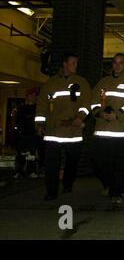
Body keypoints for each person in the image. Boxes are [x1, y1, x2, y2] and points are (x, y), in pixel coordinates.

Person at [35, 52, 92, 200]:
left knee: (72, 161)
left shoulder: (82, 83)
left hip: (73, 132)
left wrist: (80, 117)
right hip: (54, 131)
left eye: (76, 63)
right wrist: (40, 123)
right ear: (65, 64)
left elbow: (86, 104)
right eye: (73, 63)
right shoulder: (51, 84)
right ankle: (51, 191)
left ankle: (68, 184)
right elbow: (42, 105)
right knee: (51, 163)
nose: (75, 66)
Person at [91, 53, 124, 208]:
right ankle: (108, 184)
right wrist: (100, 113)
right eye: (115, 63)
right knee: (98, 162)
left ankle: (116, 193)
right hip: (101, 130)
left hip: (119, 131)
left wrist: (116, 115)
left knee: (118, 164)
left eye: (121, 63)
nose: (117, 65)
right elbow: (94, 103)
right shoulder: (103, 83)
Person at [14, 89, 39, 180]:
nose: (33, 97)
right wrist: (18, 132)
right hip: (23, 135)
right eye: (31, 95)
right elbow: (17, 122)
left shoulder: (38, 108)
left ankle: (31, 171)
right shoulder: (21, 109)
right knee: (21, 154)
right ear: (27, 96)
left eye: (34, 95)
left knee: (32, 155)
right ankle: (18, 171)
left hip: (33, 134)